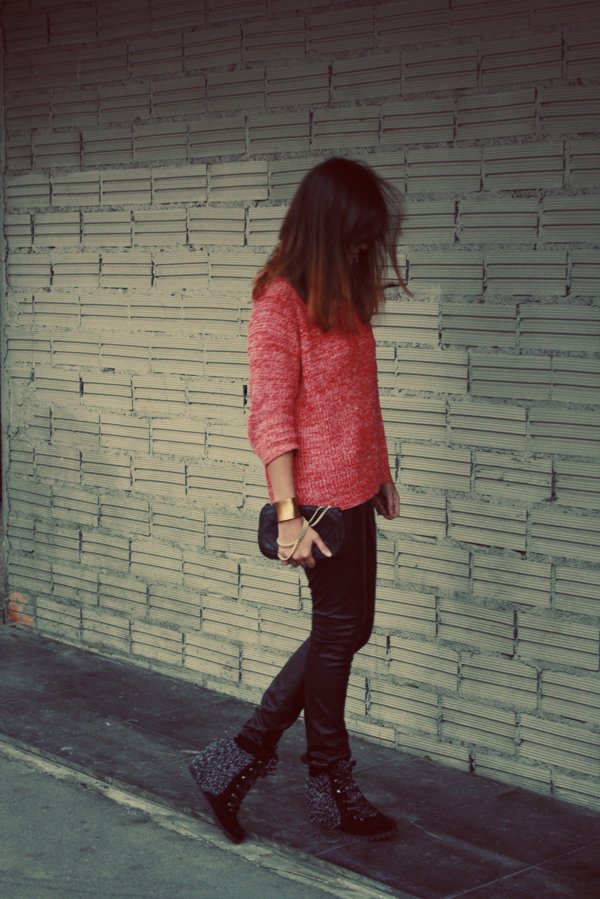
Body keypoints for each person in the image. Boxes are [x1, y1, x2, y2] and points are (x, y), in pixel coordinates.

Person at [189, 157, 406, 844]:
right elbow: (270, 417)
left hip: (356, 491)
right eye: (357, 232)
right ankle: (328, 781)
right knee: (339, 634)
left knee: (349, 630)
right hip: (316, 505)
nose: (366, 246)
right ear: (326, 224)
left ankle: (237, 758)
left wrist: (381, 472)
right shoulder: (279, 301)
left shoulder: (340, 296)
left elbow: (360, 399)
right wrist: (287, 517)